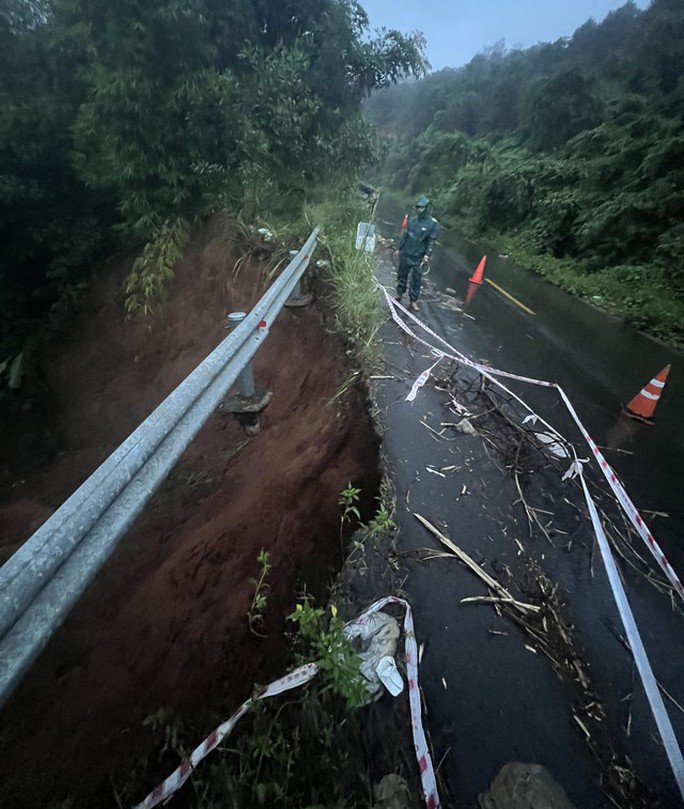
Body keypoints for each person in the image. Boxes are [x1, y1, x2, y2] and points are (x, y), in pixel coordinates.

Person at [394, 195, 438, 311]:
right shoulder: (412, 220)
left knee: (416, 279)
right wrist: (399, 249)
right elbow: (405, 235)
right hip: (407, 252)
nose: (418, 209)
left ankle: (413, 300)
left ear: (426, 208)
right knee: (402, 274)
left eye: (421, 208)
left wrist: (427, 255)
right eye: (417, 207)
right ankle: (399, 293)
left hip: (419, 256)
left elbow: (431, 241)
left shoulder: (432, 224)